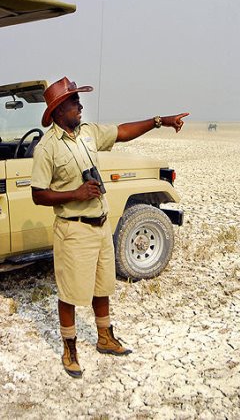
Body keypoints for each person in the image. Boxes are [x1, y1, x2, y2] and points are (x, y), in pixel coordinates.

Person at [30, 77, 189, 378]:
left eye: (78, 101)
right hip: (73, 230)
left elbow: (123, 132)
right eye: (74, 102)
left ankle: (105, 337)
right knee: (70, 293)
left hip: (101, 227)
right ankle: (70, 348)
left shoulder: (87, 133)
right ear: (58, 110)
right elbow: (38, 194)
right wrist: (75, 194)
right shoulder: (47, 148)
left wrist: (160, 121)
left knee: (102, 286)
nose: (80, 106)